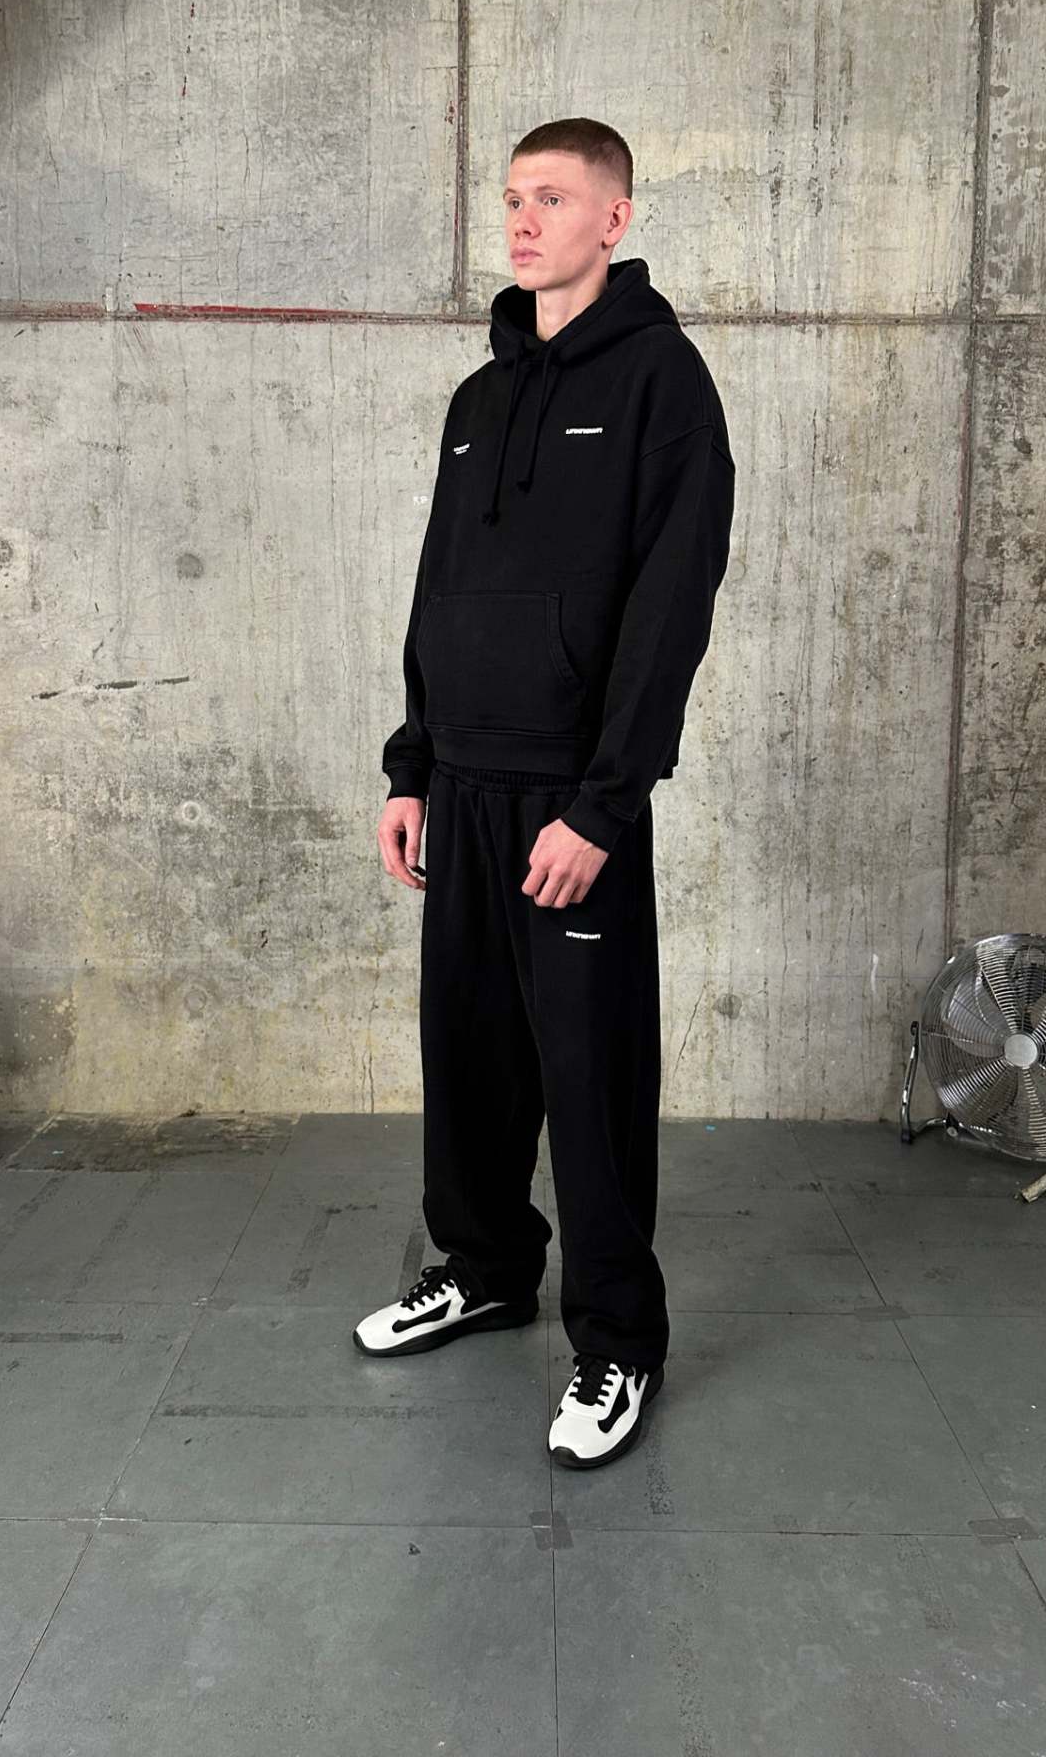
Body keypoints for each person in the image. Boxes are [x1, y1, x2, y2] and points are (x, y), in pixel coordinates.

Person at [359, 117, 737, 1470]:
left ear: (614, 219)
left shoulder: (662, 384)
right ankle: (482, 1269)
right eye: (512, 198)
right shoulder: (479, 399)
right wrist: (411, 766)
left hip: (572, 798)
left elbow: (669, 609)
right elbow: (437, 592)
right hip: (459, 785)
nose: (523, 222)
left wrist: (603, 804)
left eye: (554, 199)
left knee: (588, 1075)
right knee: (467, 1055)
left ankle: (619, 1339)